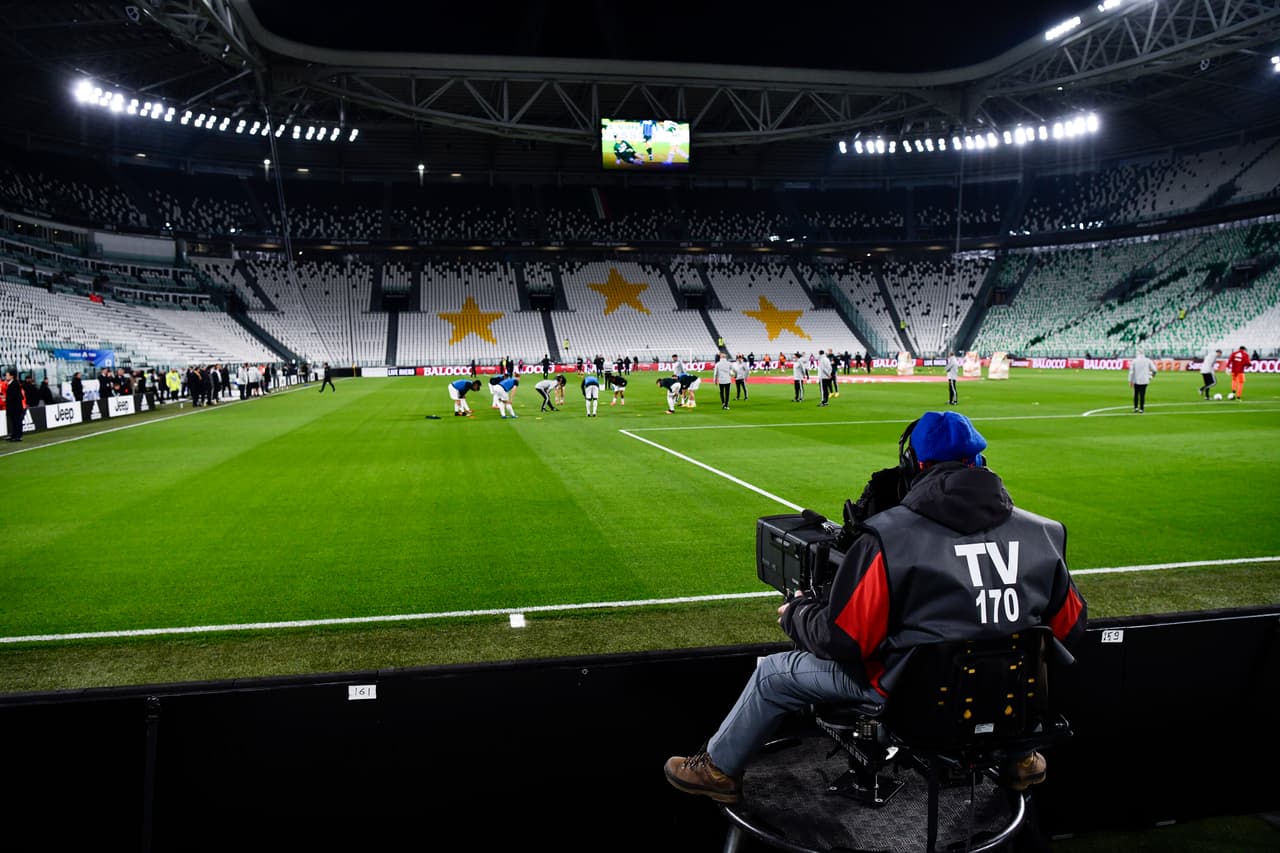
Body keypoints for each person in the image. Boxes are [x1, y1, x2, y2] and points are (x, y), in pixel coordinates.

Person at [663, 410, 1088, 804]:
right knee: (1021, 656)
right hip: (1012, 702)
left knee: (773, 673)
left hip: (911, 702)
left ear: (916, 466)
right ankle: (1021, 759)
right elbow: (1069, 629)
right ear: (980, 462)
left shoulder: (888, 537)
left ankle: (718, 771)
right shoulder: (1045, 533)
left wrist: (797, 614)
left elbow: (845, 640)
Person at [4, 369, 24, 441]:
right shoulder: (11, 384)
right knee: (13, 421)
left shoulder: (15, 384)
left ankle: (18, 436)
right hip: (13, 407)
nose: (6, 376)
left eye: (7, 375)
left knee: (17, 421)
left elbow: (17, 396)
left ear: (12, 376)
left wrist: (6, 399)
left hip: (15, 407)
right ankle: (14, 435)